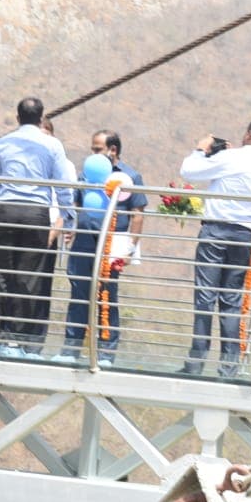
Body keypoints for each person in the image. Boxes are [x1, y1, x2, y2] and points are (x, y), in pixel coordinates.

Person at [177, 118, 251, 378]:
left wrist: (201, 149)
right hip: (244, 234)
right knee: (231, 300)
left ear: (249, 134)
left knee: (205, 296)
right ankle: (228, 368)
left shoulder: (235, 157)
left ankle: (196, 362)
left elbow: (189, 171)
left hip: (216, 230)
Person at [0, 97, 75, 358]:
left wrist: (4, 200)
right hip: (36, 213)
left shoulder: (3, 143)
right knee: (29, 277)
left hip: (8, 210)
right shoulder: (52, 144)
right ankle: (20, 342)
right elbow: (62, 184)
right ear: (41, 116)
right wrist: (67, 214)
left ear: (18, 117)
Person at [53, 130, 148, 367]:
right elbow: (75, 202)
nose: (93, 154)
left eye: (97, 149)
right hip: (84, 238)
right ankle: (71, 349)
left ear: (112, 150)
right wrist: (70, 228)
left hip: (112, 241)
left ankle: (106, 352)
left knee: (107, 294)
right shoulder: (86, 174)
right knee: (79, 292)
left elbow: (137, 214)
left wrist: (130, 247)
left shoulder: (129, 176)